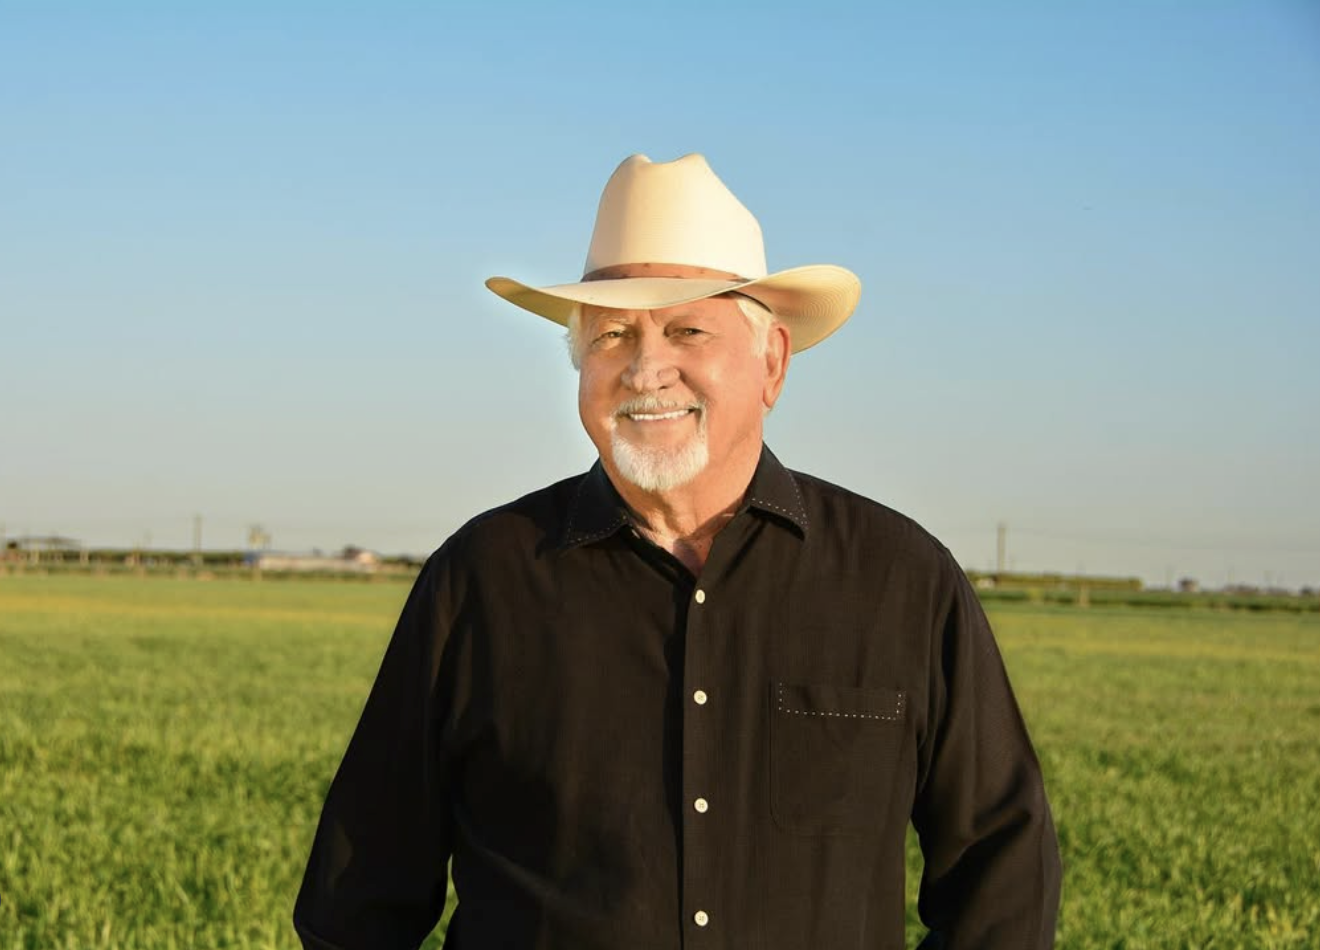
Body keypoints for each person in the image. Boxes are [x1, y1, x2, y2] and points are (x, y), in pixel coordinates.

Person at [294, 153, 1061, 949]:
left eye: (688, 329)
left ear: (772, 362)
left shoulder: (901, 580)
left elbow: (1001, 874)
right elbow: (361, 896)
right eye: (614, 334)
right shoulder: (480, 579)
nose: (646, 369)